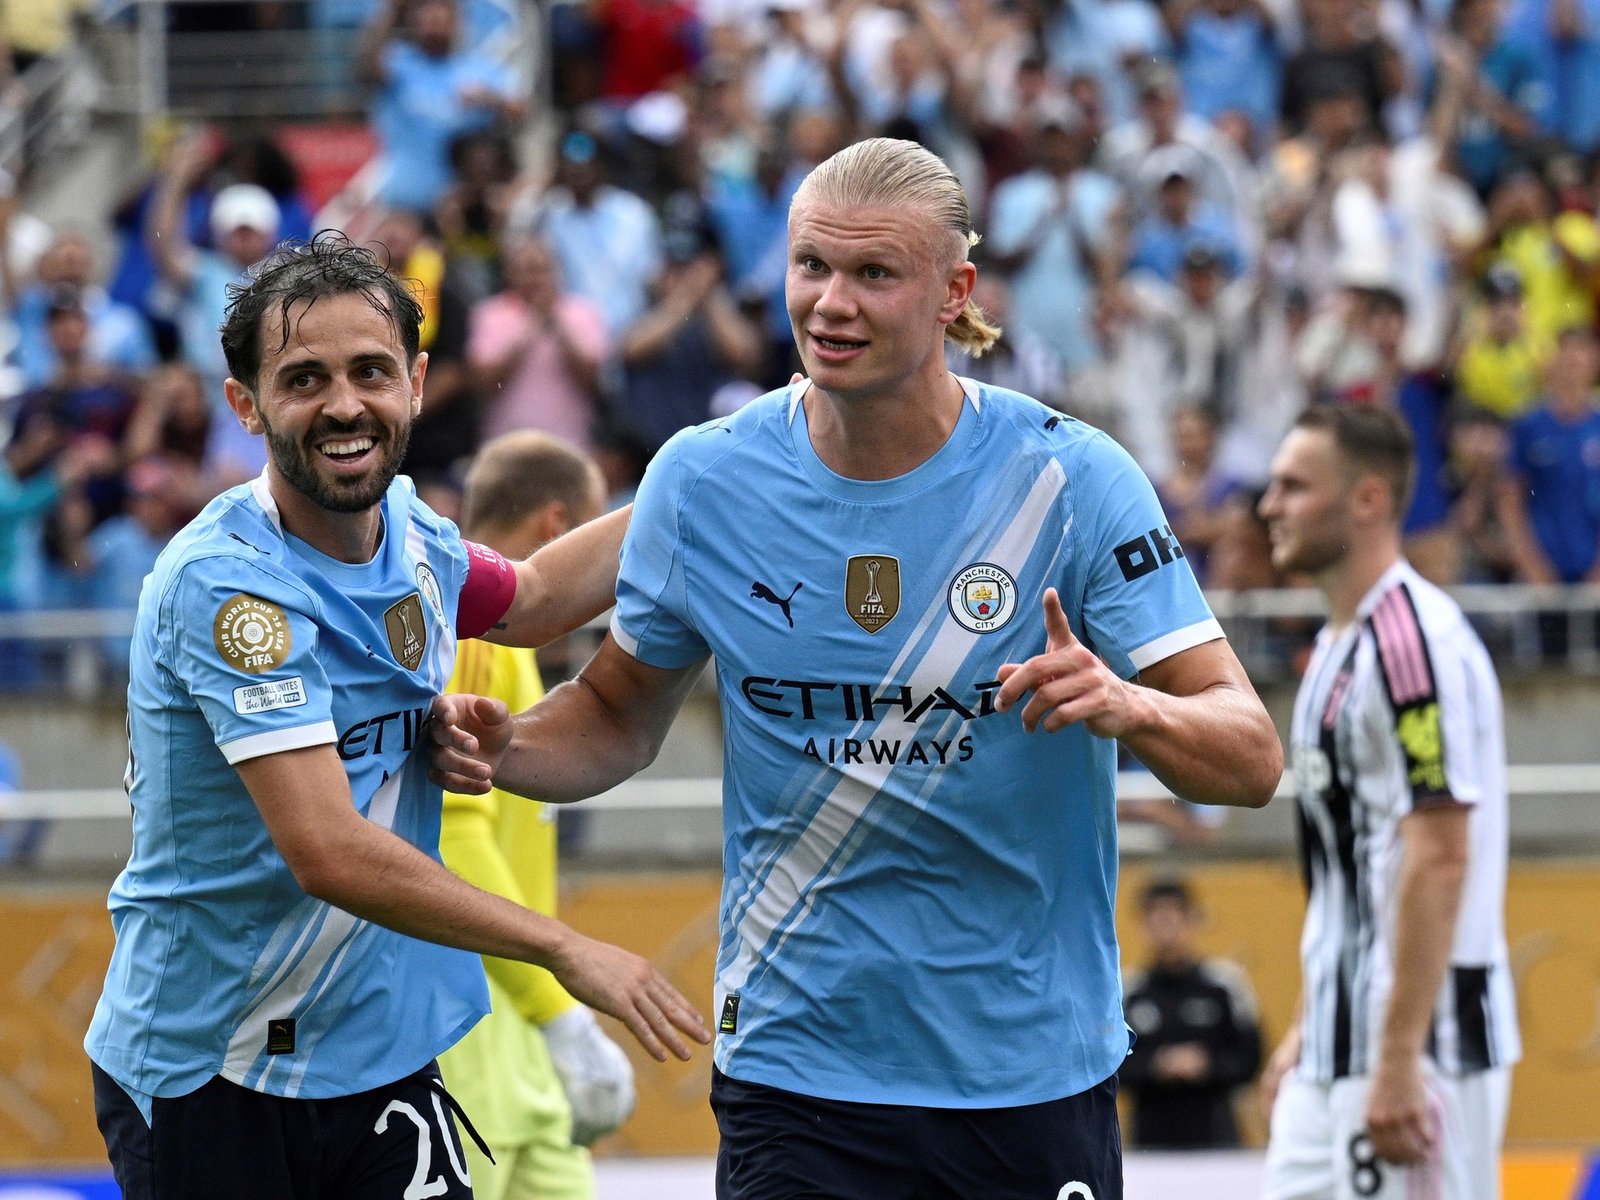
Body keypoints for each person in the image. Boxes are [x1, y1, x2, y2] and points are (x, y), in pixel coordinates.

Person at [432, 137, 1282, 1200]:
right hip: (798, 1075)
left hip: (1026, 1077)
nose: (830, 303)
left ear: (953, 291)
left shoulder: (1071, 477)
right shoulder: (707, 478)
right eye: (810, 267)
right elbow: (612, 713)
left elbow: (1249, 758)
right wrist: (511, 747)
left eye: (873, 273)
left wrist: (1127, 706)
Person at [84, 233, 708, 1200]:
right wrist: (563, 948)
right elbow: (327, 850)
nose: (344, 404)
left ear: (416, 383)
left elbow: (537, 596)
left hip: (375, 1056)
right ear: (244, 404)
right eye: (304, 379)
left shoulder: (414, 532)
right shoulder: (227, 587)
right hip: (214, 1063)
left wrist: (706, 475)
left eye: (371, 371)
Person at [1257, 404, 1519, 1200]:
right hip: (1336, 1044)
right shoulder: (1337, 643)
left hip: (1418, 1047)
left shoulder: (1414, 648)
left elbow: (1438, 856)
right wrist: (1310, 1021)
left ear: (1367, 500)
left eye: (1294, 487)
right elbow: (1356, 866)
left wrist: (1399, 1057)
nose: (1269, 506)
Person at [436, 431, 631, 1198]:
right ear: (560, 528)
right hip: (464, 1052)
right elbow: (454, 840)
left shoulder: (499, 649)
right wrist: (562, 1015)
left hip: (516, 1063)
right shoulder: (474, 637)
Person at [1120, 876, 1262, 1149]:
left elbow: (1251, 1058)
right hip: (1148, 1144)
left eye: (1174, 916)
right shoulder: (1128, 991)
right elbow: (1111, 1066)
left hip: (1217, 1139)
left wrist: (1206, 1064)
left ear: (1191, 920)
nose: (1166, 927)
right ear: (1143, 924)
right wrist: (1157, 1065)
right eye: (1157, 918)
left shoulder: (1224, 985)